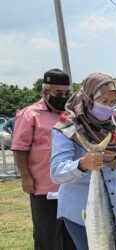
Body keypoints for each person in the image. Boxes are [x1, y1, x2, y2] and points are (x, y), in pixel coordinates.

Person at [50, 72, 116, 250]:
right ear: (88, 97)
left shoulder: (112, 123)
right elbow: (56, 172)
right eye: (103, 101)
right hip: (80, 211)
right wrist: (82, 164)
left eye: (112, 102)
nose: (108, 107)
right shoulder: (67, 127)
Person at [11, 69, 76, 250]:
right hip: (43, 189)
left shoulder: (71, 114)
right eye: (58, 93)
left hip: (71, 188)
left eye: (67, 93)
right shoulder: (30, 115)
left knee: (72, 239)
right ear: (45, 92)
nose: (63, 97)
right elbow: (19, 149)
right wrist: (25, 177)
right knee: (47, 239)